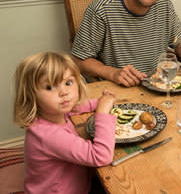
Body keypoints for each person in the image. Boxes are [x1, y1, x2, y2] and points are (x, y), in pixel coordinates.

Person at [13, 52, 117, 194]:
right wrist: (102, 113)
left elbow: (75, 108)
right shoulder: (49, 136)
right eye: (49, 87)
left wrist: (98, 102)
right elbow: (101, 156)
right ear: (32, 96)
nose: (64, 92)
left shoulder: (50, 113)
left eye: (68, 83)